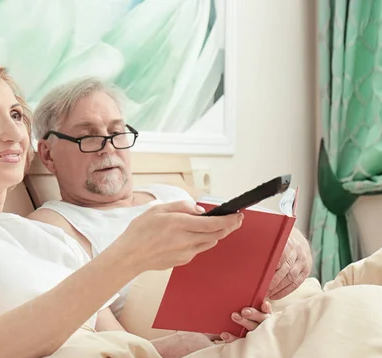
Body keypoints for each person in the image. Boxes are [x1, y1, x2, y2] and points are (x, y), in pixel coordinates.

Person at [0, 60, 265, 358]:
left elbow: (127, 351)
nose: (13, 133)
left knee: (295, 334)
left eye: (17, 114)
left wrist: (211, 338)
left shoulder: (42, 237)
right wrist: (128, 255)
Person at [27, 77, 312, 338]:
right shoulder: (53, 225)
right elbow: (103, 333)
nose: (108, 147)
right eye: (88, 137)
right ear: (48, 155)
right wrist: (164, 353)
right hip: (188, 345)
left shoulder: (172, 193)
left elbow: (248, 226)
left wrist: (293, 241)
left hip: (268, 319)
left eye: (116, 132)